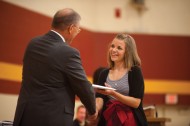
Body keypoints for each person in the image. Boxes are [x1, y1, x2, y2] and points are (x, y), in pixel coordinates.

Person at [13, 8, 97, 126]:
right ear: (71, 28)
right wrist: (92, 110)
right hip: (52, 118)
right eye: (78, 29)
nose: (77, 32)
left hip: (25, 115)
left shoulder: (33, 43)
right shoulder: (68, 52)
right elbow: (82, 85)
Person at [95, 33, 148, 126]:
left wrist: (113, 93)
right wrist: (95, 108)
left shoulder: (134, 71)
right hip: (109, 120)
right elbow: (100, 98)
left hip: (130, 121)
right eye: (112, 46)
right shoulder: (104, 73)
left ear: (127, 52)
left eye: (119, 48)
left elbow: (136, 103)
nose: (113, 50)